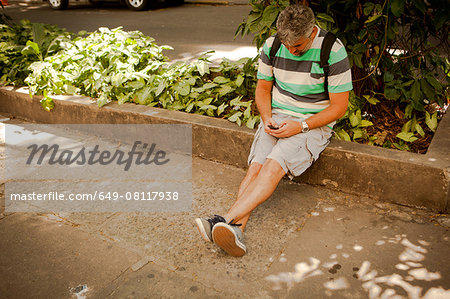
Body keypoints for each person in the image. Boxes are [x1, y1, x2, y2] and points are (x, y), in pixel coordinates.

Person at [195, 3, 352, 257]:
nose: (291, 50)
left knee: (272, 164)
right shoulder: (273, 45)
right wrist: (267, 117)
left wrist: (300, 125)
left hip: (311, 123)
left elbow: (339, 107)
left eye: (297, 47)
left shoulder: (332, 50)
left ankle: (222, 219)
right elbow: (263, 90)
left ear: (312, 33)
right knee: (256, 165)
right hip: (277, 117)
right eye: (287, 44)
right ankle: (235, 231)